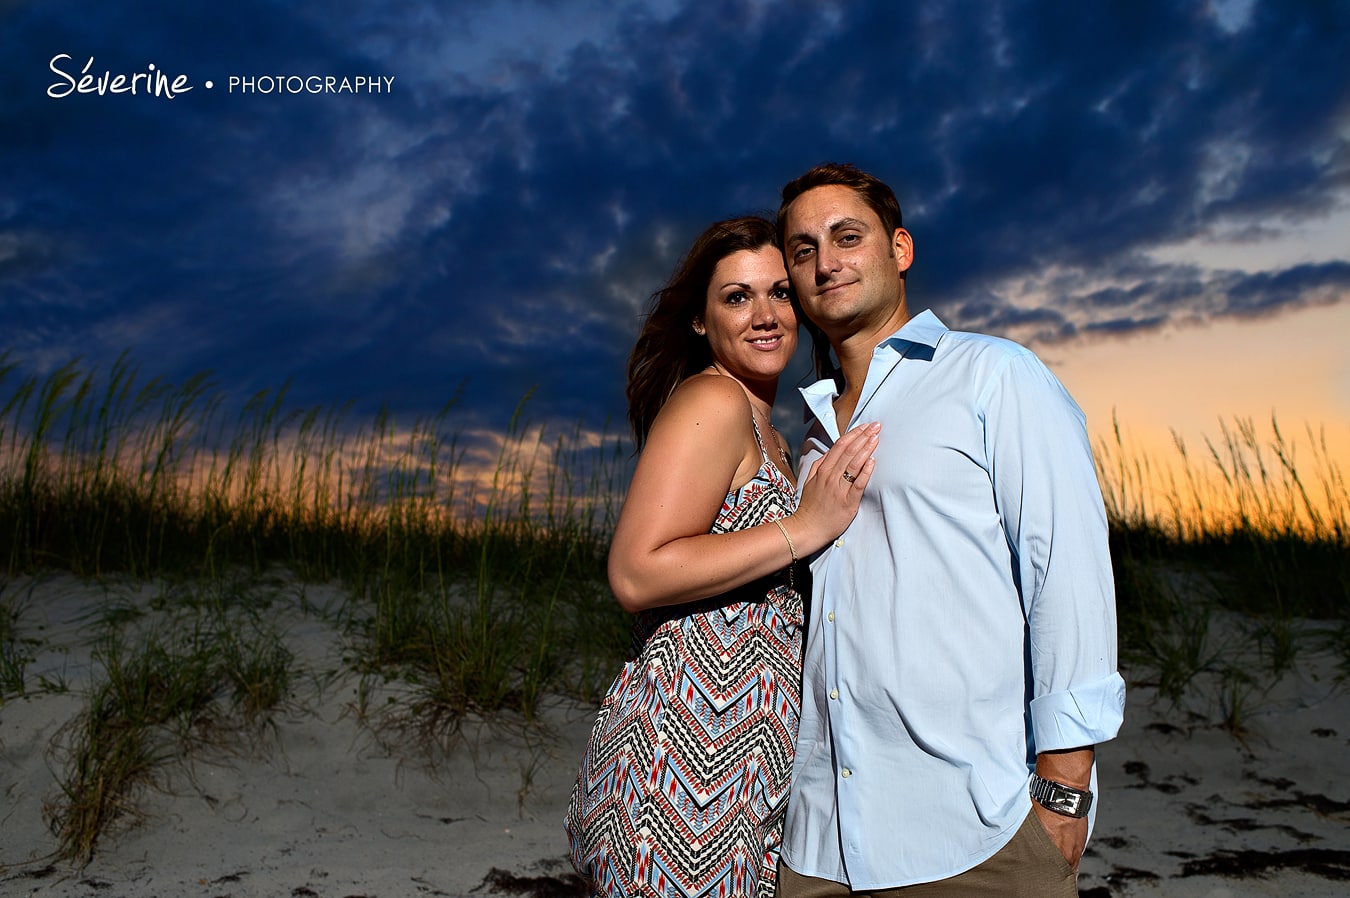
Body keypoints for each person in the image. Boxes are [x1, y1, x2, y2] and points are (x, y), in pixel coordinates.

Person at [773, 163, 1126, 898]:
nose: (826, 262)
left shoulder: (994, 374)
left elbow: (1067, 571)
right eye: (803, 250)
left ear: (899, 250)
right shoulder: (808, 433)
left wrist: (1065, 789)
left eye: (847, 237)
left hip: (974, 831)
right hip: (819, 841)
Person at [565, 215, 881, 898]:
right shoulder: (714, 399)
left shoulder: (771, 425)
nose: (765, 315)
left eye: (779, 294)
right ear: (702, 323)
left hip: (744, 774)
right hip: (681, 773)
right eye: (737, 297)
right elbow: (636, 571)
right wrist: (806, 527)